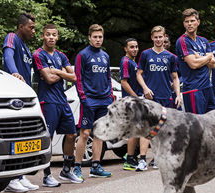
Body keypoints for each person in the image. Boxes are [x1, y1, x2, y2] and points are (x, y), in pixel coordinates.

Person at [32, 24, 83, 187]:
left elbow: (74, 77)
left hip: (62, 100)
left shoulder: (61, 55)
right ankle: (47, 176)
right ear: (43, 36)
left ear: (57, 37)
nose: (51, 37)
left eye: (54, 35)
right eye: (48, 34)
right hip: (48, 101)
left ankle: (66, 171)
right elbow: (48, 79)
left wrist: (59, 72)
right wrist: (62, 74)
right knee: (49, 137)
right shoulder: (38, 54)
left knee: (72, 135)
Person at [2, 12, 39, 193]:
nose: (33, 31)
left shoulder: (25, 47)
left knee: (23, 136)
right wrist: (14, 73)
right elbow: (8, 55)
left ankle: (19, 176)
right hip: (11, 96)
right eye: (31, 28)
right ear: (21, 26)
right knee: (14, 135)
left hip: (24, 96)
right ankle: (10, 179)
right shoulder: (12, 38)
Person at [136, 25, 181, 171]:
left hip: (166, 97)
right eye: (155, 37)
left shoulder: (171, 57)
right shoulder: (146, 54)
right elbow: (138, 74)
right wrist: (145, 88)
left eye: (160, 37)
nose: (158, 39)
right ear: (152, 38)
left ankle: (157, 158)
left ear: (164, 37)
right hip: (150, 98)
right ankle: (142, 160)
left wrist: (178, 95)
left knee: (163, 129)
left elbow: (175, 78)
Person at [73, 24, 113, 179]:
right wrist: (83, 98)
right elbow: (78, 78)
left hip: (104, 100)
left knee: (100, 134)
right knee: (85, 134)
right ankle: (77, 167)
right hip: (89, 100)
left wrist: (110, 95)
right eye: (95, 37)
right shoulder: (82, 55)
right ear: (89, 37)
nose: (98, 40)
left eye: (100, 37)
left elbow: (108, 77)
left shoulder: (105, 56)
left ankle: (96, 166)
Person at [175, 8, 215, 114]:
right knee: (197, 126)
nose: (189, 24)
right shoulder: (182, 41)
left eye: (192, 21)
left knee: (212, 123)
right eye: (187, 21)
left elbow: (213, 64)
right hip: (193, 90)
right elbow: (193, 64)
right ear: (184, 24)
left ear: (198, 22)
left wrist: (199, 58)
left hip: (208, 87)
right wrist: (208, 57)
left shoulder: (203, 41)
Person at [119, 38, 144, 171]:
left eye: (136, 46)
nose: (134, 49)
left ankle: (131, 155)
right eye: (131, 47)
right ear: (126, 49)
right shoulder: (125, 61)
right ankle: (129, 159)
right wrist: (135, 97)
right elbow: (123, 82)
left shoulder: (134, 62)